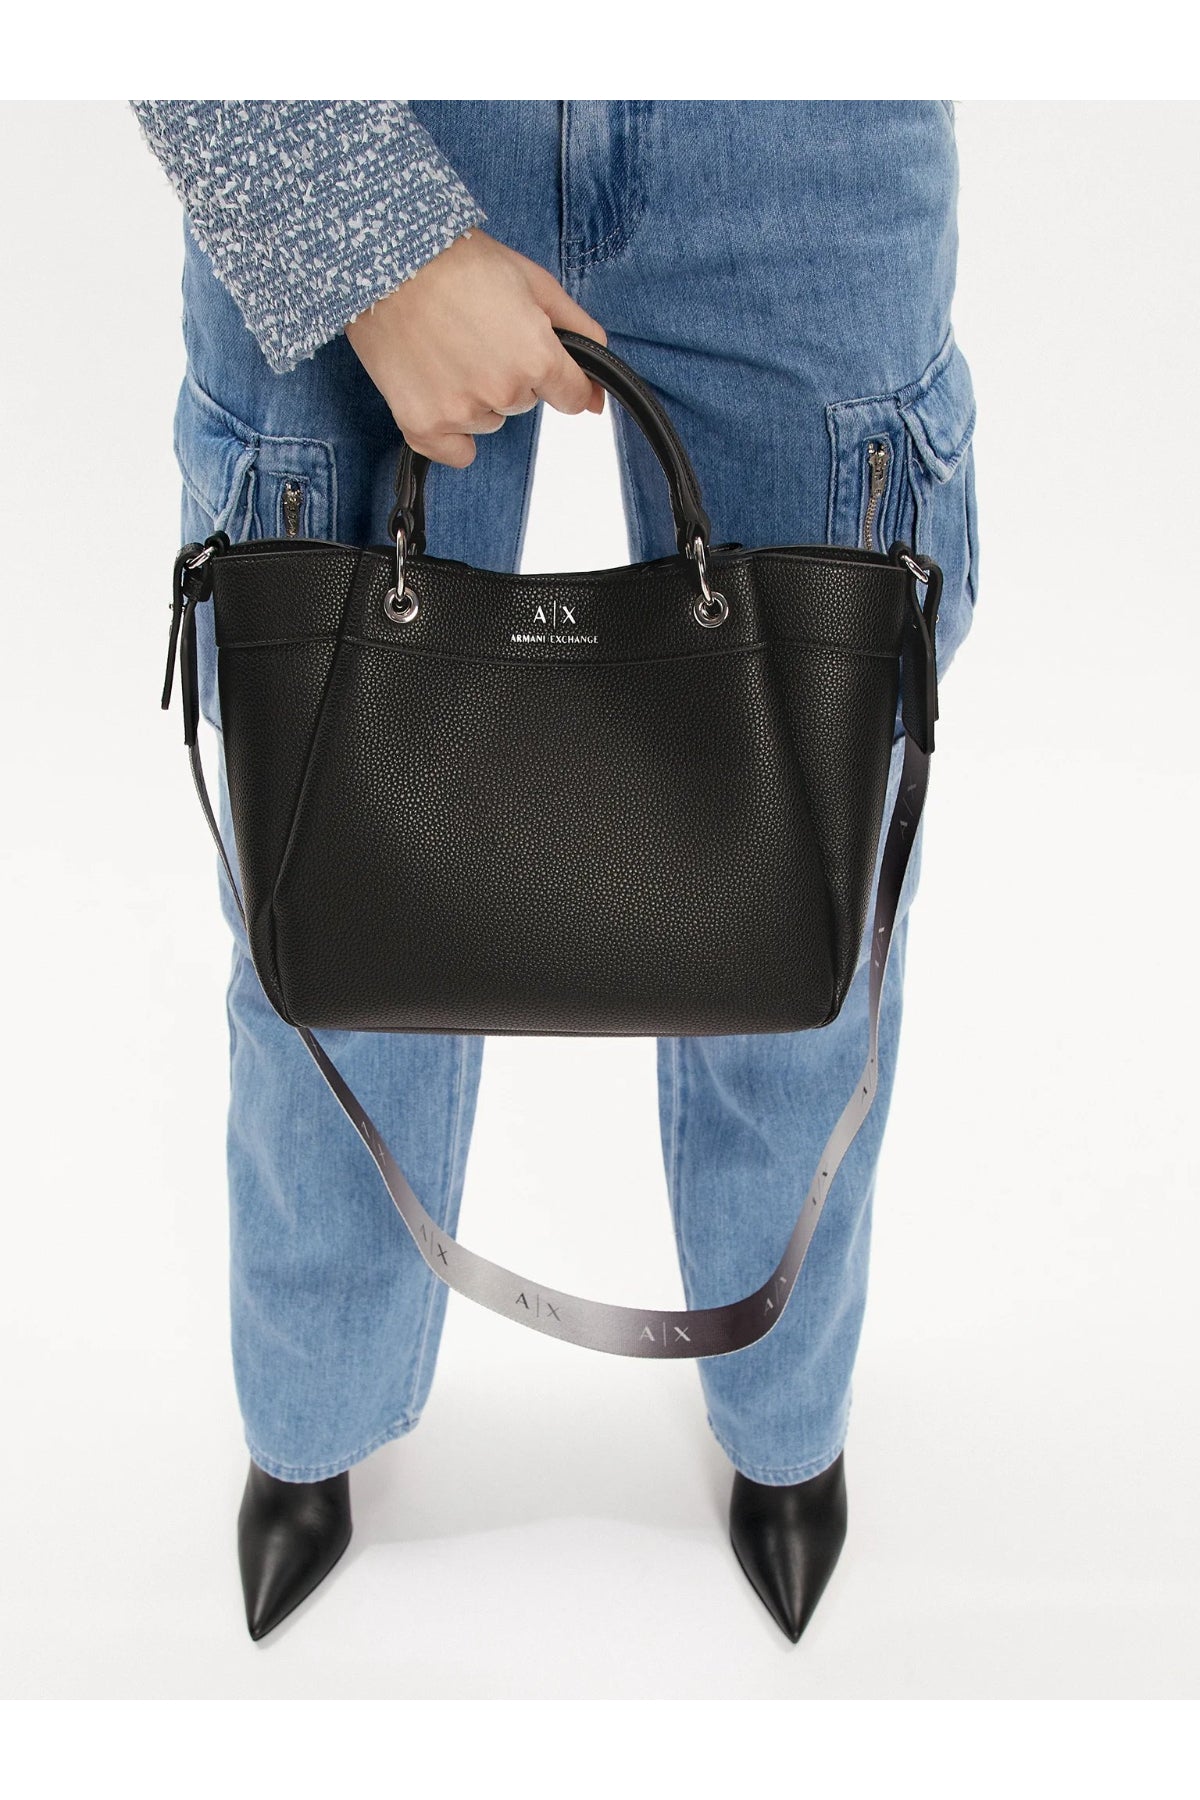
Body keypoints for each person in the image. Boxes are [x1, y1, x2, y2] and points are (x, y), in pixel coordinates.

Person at [134, 99, 979, 1646]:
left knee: (806, 886)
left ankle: (788, 1422)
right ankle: (309, 1419)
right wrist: (358, 232)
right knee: (335, 890)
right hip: (369, 86)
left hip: (806, 131)